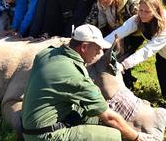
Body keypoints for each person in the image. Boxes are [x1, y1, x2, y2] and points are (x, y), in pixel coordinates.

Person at [22, 24, 152, 141]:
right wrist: (137, 137)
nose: (99, 53)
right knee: (113, 136)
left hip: (31, 126)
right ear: (84, 47)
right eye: (97, 49)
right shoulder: (74, 76)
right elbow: (109, 117)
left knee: (91, 114)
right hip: (44, 136)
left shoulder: (46, 54)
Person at [89, 0, 144, 88]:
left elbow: (142, 22)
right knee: (114, 52)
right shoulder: (100, 4)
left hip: (136, 33)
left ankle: (126, 84)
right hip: (118, 31)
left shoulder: (132, 2)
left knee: (122, 55)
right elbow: (93, 20)